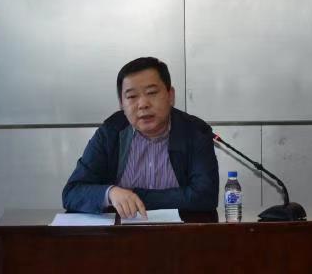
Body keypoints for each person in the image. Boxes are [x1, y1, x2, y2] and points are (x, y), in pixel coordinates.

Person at [62, 57, 219, 218]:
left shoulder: (195, 131)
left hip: (181, 231)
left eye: (152, 93)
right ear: (121, 104)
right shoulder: (111, 132)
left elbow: (205, 196)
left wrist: (135, 196)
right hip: (121, 232)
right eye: (132, 96)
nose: (143, 104)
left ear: (170, 95)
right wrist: (110, 193)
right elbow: (72, 193)